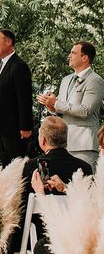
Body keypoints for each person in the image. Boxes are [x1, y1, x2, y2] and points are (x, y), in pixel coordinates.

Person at [20, 117, 92, 254]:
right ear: (66, 140)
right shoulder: (85, 168)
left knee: (43, 247)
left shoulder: (31, 167)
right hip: (80, 236)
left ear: (42, 140)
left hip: (51, 238)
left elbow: (23, 210)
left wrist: (41, 195)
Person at [37, 41, 104, 171]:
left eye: (73, 53)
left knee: (84, 184)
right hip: (62, 145)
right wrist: (52, 107)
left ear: (84, 58)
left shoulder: (96, 81)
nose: (69, 56)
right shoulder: (66, 80)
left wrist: (56, 103)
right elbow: (63, 109)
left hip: (84, 145)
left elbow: (86, 110)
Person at [0, 29, 33, 166]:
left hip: (14, 130)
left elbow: (24, 99)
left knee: (16, 167)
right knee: (4, 166)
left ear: (8, 42)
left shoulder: (19, 66)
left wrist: (25, 127)